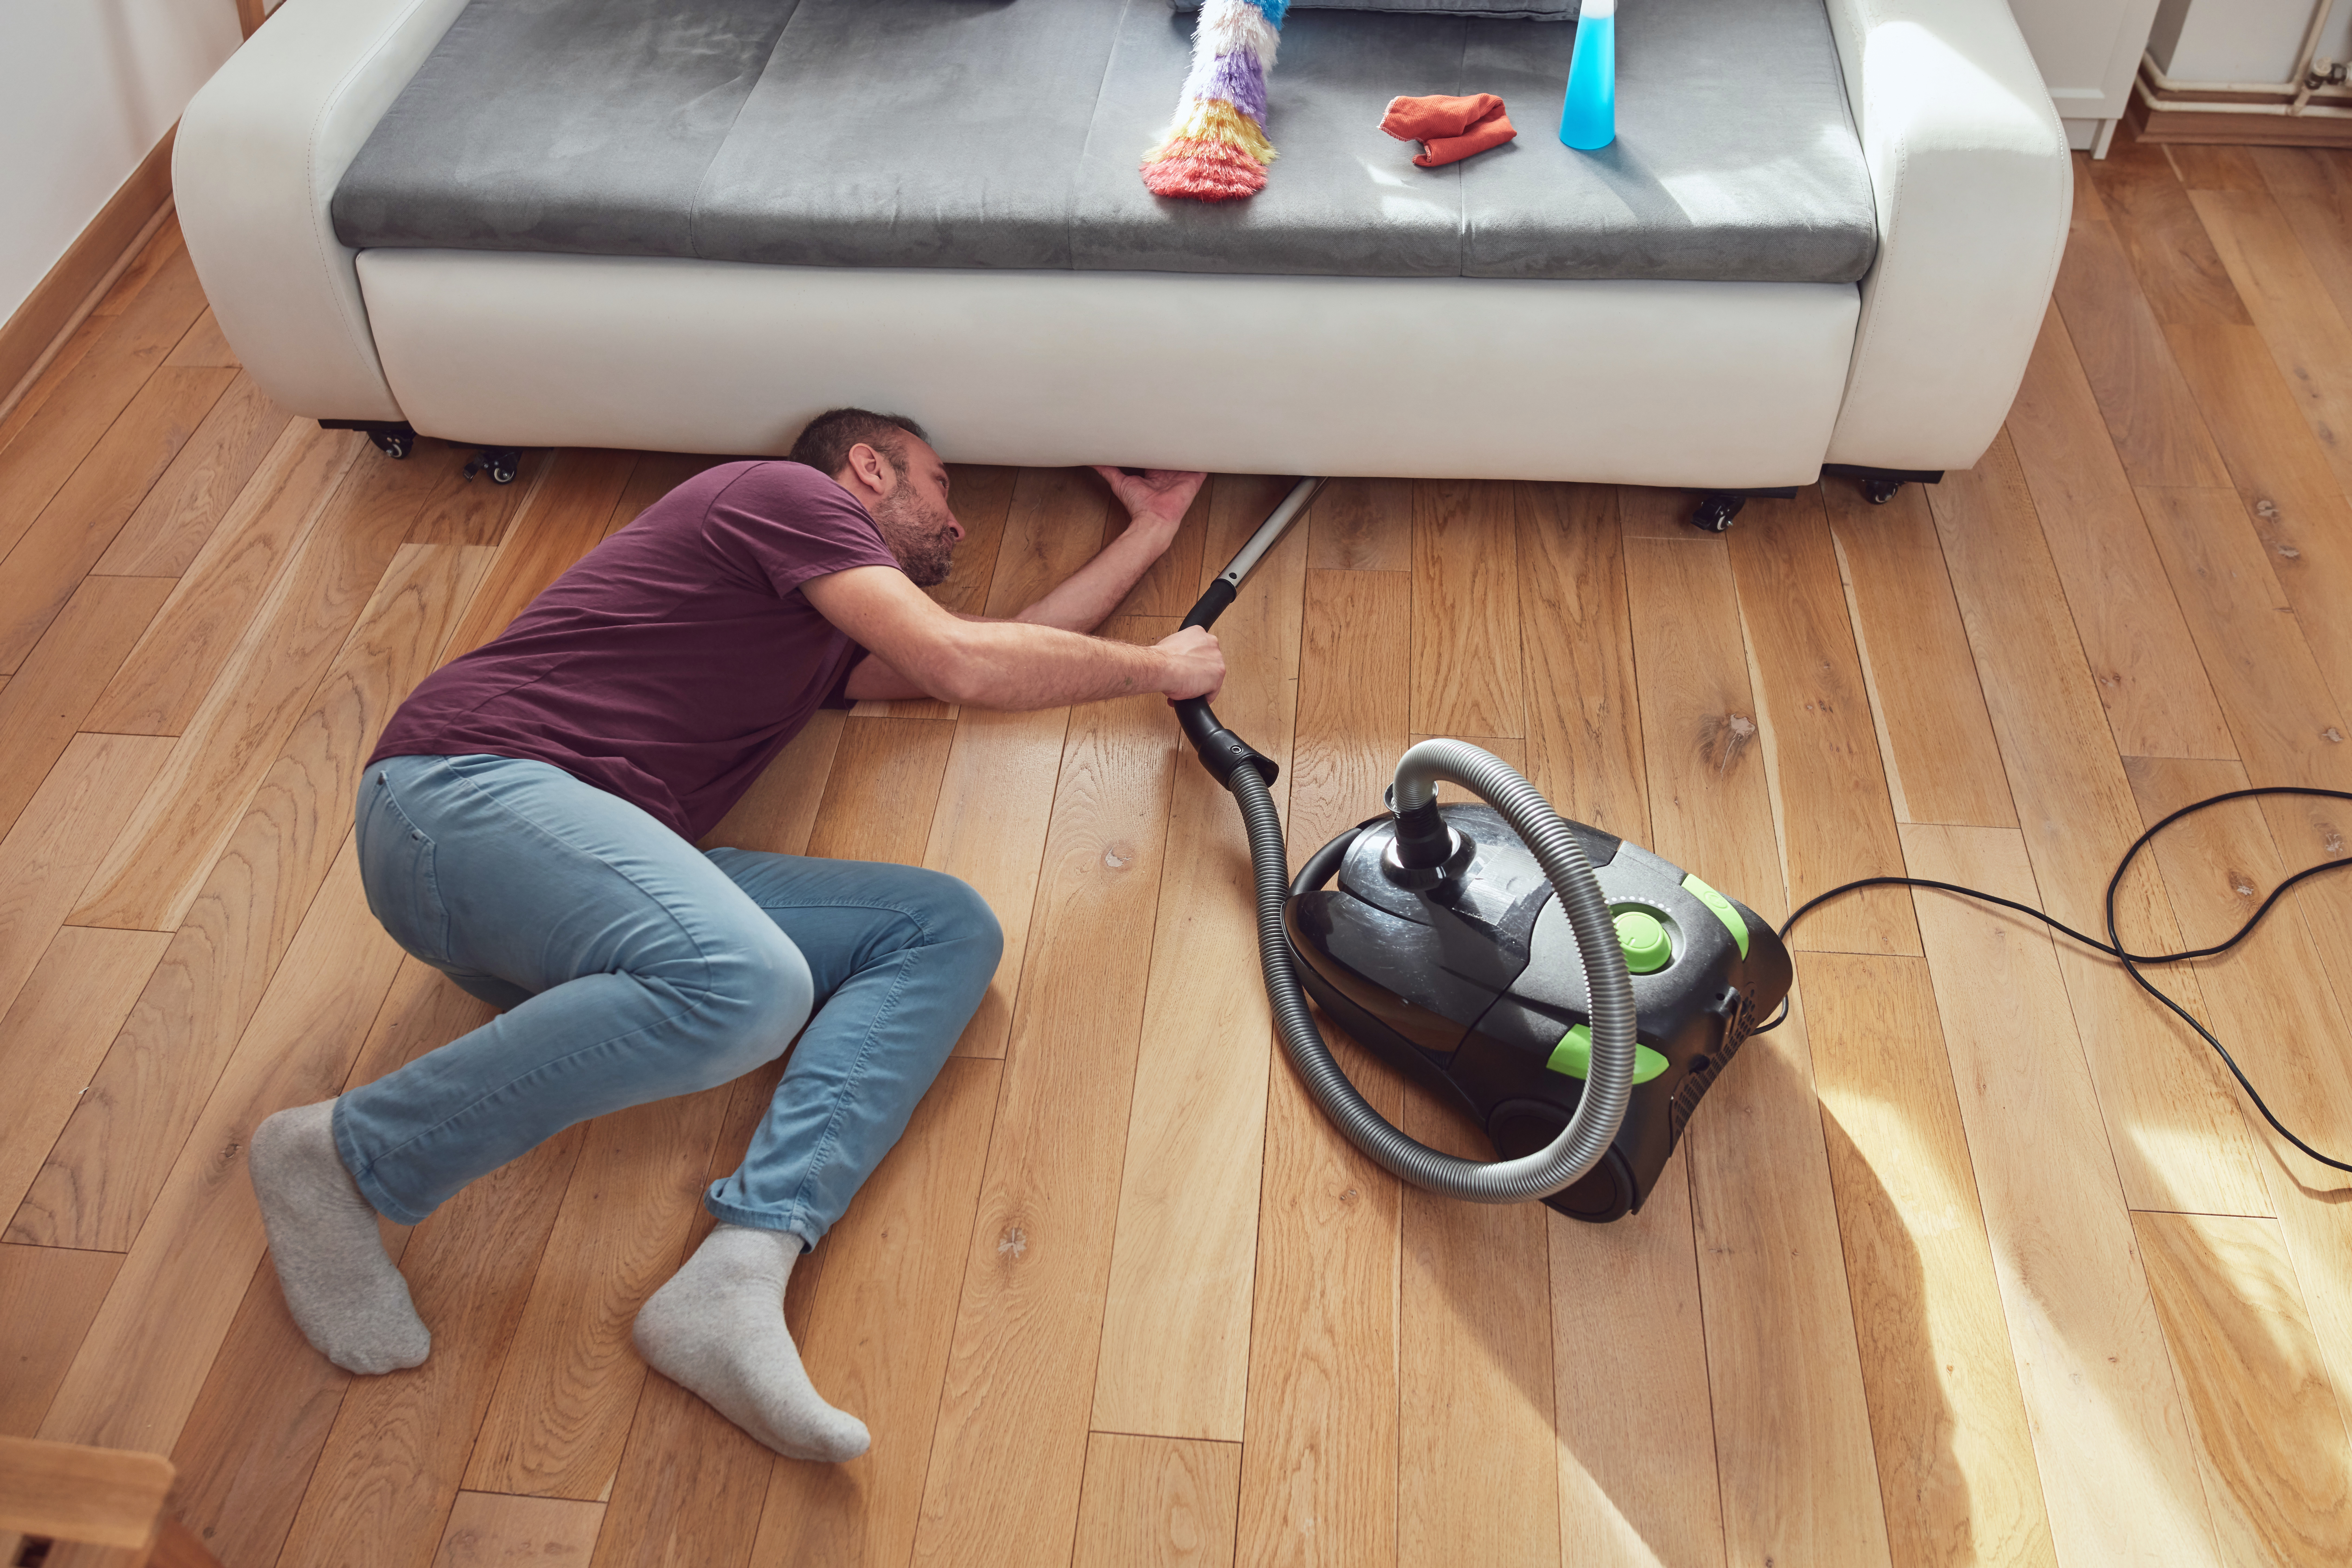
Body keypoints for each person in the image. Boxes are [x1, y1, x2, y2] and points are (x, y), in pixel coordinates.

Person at [246, 410, 1223, 1462]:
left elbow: (1001, 651)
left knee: (939, 929)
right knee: (747, 984)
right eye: (940, 486)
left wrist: (1151, 535)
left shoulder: (819, 639)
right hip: (464, 799)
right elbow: (961, 662)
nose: (956, 522)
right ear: (866, 467)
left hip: (578, 909)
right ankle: (343, 1154)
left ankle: (736, 1275)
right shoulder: (778, 494)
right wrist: (1157, 670)